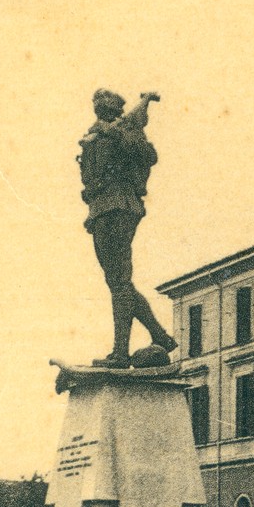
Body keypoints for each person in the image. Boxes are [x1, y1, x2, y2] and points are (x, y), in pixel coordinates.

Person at [78, 89, 178, 367]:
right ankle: (160, 336)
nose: (99, 107)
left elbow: (148, 155)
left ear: (115, 110)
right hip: (100, 210)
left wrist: (114, 133)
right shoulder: (93, 137)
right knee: (117, 282)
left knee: (119, 281)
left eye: (104, 105)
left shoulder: (125, 130)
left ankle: (121, 353)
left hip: (120, 206)